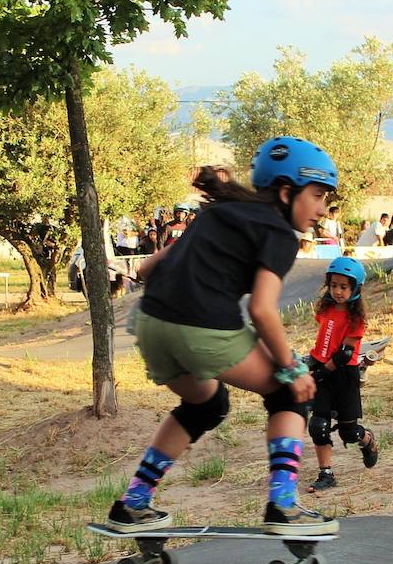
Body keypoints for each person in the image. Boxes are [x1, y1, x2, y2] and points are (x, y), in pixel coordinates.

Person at [105, 136, 339, 537]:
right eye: (317, 196)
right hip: (203, 330)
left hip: (151, 326)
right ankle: (283, 505)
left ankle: (133, 503)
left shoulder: (221, 211)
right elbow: (263, 310)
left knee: (205, 405)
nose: (322, 209)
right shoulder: (280, 235)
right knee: (290, 391)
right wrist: (291, 368)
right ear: (287, 192)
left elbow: (145, 269)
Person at [305, 256, 378, 492]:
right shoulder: (325, 309)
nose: (337, 291)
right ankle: (326, 473)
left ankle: (367, 440)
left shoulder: (356, 318)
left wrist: (321, 372)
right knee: (318, 425)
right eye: (334, 285)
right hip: (321, 368)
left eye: (344, 287)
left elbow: (345, 353)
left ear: (355, 288)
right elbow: (324, 342)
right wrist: (312, 367)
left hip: (343, 374)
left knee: (349, 431)